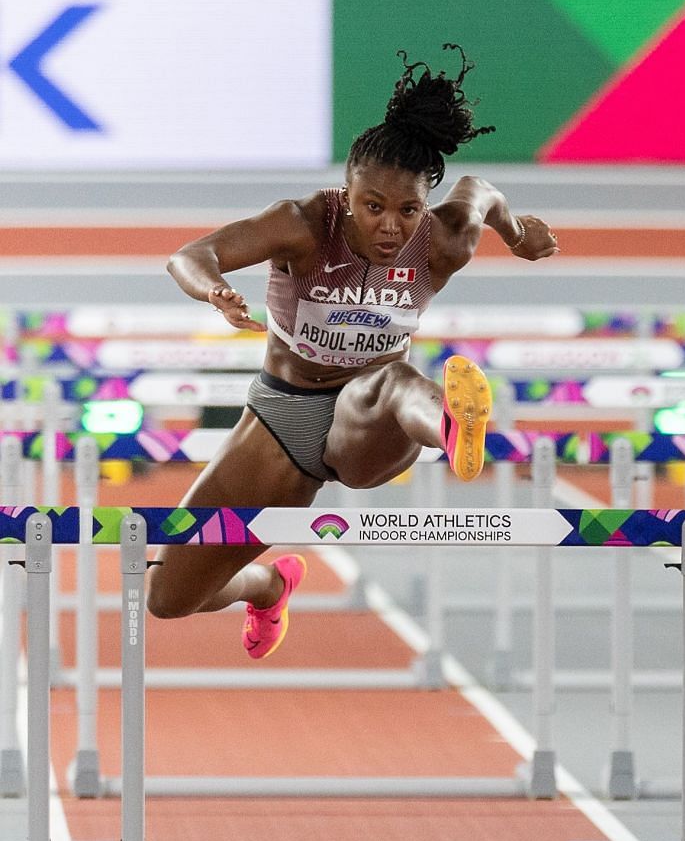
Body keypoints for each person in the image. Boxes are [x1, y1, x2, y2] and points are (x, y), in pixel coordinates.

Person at [149, 46, 557, 657]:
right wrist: (216, 291)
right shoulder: (303, 224)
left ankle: (451, 427)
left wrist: (518, 233)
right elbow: (189, 255)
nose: (392, 227)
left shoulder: (443, 240)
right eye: (374, 207)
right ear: (347, 192)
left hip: (369, 421)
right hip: (281, 415)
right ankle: (267, 584)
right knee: (166, 597)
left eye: (408, 210)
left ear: (426, 205)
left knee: (392, 384)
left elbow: (480, 190)